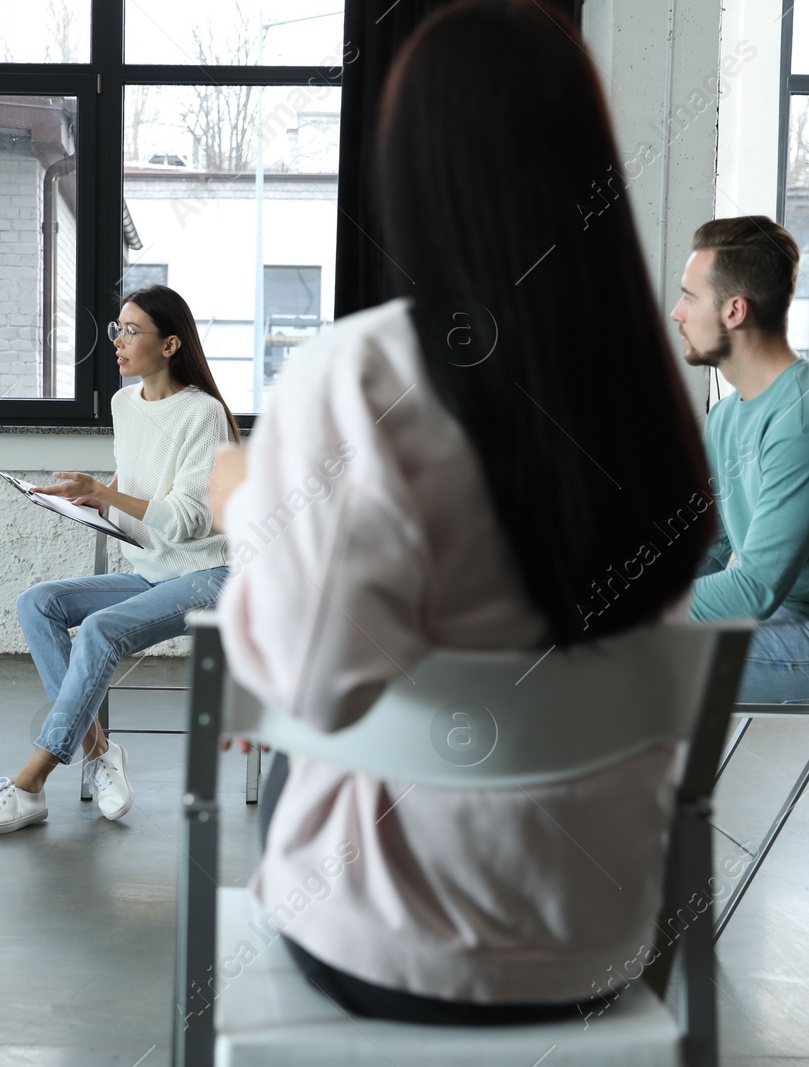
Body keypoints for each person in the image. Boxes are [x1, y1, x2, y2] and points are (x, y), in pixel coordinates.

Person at [208, 0, 718, 1023]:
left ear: (412, 172)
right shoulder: (640, 386)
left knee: (286, 793)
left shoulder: (355, 376)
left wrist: (247, 503)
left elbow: (316, 683)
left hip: (396, 942)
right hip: (604, 934)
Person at [0, 284, 238, 836]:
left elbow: (189, 521)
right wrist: (88, 498)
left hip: (209, 575)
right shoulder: (122, 405)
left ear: (170, 344)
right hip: (155, 570)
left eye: (132, 330)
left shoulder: (203, 414)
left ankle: (29, 784)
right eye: (117, 328)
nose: (118, 339)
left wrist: (108, 495)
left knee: (100, 631)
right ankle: (100, 753)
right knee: (37, 603)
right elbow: (140, 490)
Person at [669, 216, 809, 704]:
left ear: (734, 310)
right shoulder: (728, 416)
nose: (677, 313)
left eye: (690, 297)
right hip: (786, 622)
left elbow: (754, 588)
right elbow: (715, 548)